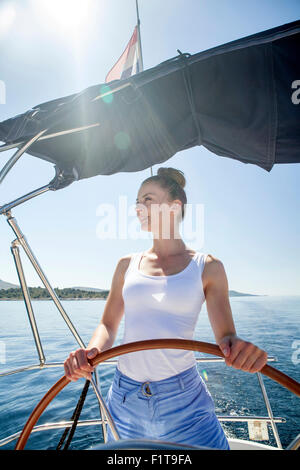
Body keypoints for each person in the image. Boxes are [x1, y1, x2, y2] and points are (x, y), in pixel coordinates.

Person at [64, 167, 268, 450]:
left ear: (174, 207)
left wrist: (240, 349)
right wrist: (92, 351)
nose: (138, 207)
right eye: (137, 202)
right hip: (124, 397)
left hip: (183, 399)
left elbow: (226, 337)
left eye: (148, 199)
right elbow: (108, 325)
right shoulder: (126, 265)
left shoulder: (208, 267)